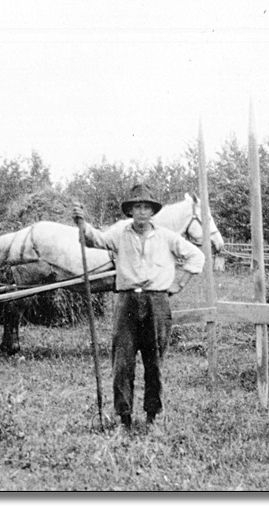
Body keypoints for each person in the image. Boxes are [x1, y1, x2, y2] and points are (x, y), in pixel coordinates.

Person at [73, 183, 205, 430]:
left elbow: (197, 256)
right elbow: (95, 241)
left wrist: (179, 284)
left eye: (146, 207)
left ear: (152, 211)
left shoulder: (166, 236)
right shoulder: (120, 233)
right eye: (137, 207)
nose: (142, 212)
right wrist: (82, 224)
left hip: (157, 302)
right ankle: (123, 416)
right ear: (130, 211)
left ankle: (152, 415)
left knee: (154, 361)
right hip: (126, 303)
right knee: (122, 362)